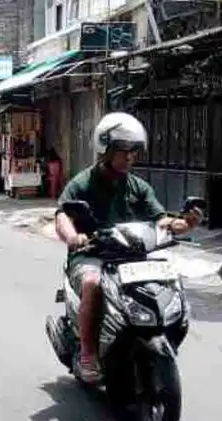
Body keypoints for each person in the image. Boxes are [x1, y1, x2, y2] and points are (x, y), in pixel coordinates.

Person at [54, 112, 202, 382]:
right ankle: (88, 353)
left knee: (168, 280)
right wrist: (73, 236)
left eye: (135, 151)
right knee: (92, 282)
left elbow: (162, 220)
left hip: (132, 258)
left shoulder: (139, 186)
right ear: (105, 149)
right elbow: (62, 214)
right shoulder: (83, 183)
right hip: (92, 256)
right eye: (124, 150)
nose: (131, 157)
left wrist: (186, 223)